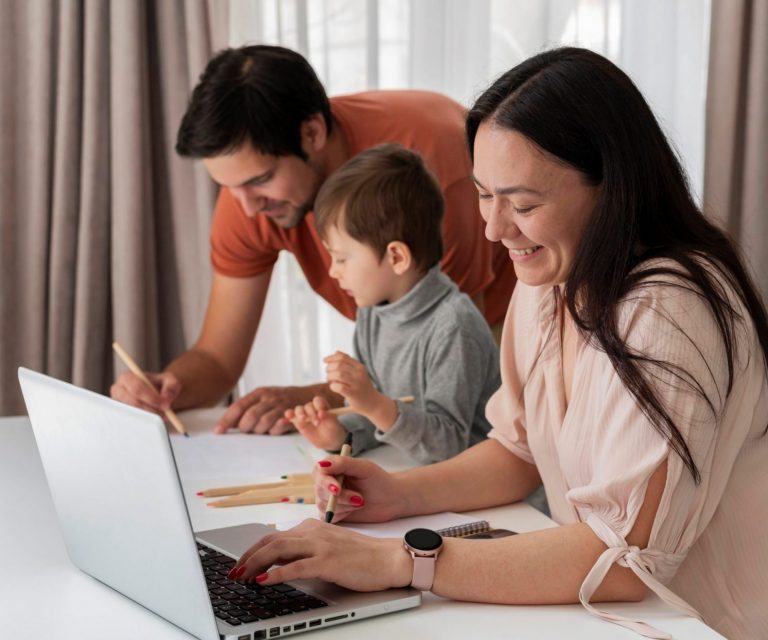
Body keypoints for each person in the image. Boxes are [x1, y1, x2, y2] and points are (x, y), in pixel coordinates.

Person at [222, 48, 768, 640]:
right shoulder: (550, 281)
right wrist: (398, 495)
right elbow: (518, 450)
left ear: (612, 188)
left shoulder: (668, 310)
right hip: (606, 617)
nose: (493, 229)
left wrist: (397, 561)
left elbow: (623, 558)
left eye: (524, 204)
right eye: (484, 194)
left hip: (702, 624)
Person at [109, 45, 516, 434]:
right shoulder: (251, 198)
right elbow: (217, 359)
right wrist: (167, 387)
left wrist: (314, 397)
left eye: (260, 181)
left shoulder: (433, 175)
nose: (247, 209)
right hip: (399, 360)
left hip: (499, 330)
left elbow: (440, 377)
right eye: (229, 187)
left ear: (312, 132)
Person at [284, 144, 500, 464]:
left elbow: (449, 446)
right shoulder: (373, 314)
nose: (332, 271)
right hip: (417, 477)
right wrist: (341, 434)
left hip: (486, 492)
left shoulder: (454, 326)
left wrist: (372, 403)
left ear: (397, 257)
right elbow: (380, 418)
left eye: (342, 258)